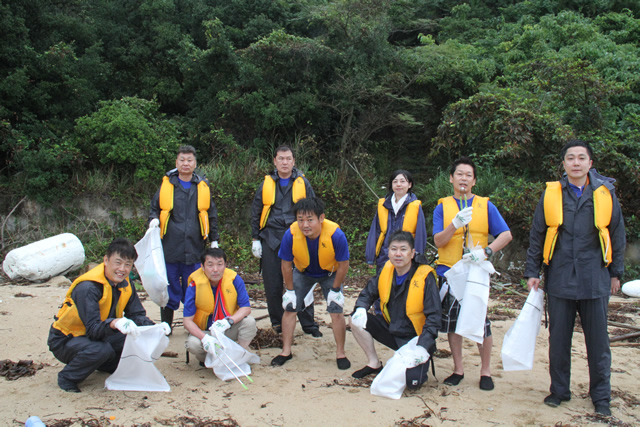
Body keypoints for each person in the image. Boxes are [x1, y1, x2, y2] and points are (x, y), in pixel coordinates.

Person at [524, 140, 626, 416]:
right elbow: (537, 235)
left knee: (598, 343)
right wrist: (532, 272)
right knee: (558, 340)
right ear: (564, 164)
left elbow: (617, 233)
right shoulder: (551, 195)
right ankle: (559, 390)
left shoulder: (605, 194)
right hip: (559, 277)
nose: (576, 163)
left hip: (595, 277)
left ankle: (601, 397)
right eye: (571, 158)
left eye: (582, 158)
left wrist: (616, 272)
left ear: (590, 163)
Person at [433, 156, 512, 391]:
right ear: (451, 178)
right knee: (452, 322)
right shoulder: (442, 207)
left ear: (474, 181)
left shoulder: (486, 205)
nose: (463, 178)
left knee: (481, 321)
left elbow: (506, 235)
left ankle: (485, 371)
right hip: (450, 271)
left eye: (468, 175)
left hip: (475, 271)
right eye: (459, 174)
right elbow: (438, 241)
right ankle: (458, 369)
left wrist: (486, 251)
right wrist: (454, 224)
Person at [47, 238, 167, 392]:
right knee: (101, 350)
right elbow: (93, 329)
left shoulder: (126, 284)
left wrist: (154, 328)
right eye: (118, 262)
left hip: (98, 333)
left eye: (128, 264)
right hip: (67, 339)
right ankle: (67, 377)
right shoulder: (88, 287)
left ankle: (105, 365)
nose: (122, 269)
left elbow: (136, 314)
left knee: (134, 338)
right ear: (106, 260)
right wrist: (114, 323)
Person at [350, 231, 440, 390]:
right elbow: (368, 293)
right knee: (355, 319)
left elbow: (434, 317)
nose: (398, 254)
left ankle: (417, 362)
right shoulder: (387, 270)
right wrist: (361, 308)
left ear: (412, 253)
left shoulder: (425, 276)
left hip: (415, 338)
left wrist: (423, 346)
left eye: (403, 249)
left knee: (412, 383)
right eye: (394, 249)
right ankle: (374, 364)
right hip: (392, 329)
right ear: (388, 252)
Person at [271, 197, 350, 369]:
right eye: (300, 220)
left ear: (321, 218)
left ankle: (340, 353)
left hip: (330, 273)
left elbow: (344, 265)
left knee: (336, 310)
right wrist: (290, 291)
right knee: (290, 308)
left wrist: (336, 289)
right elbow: (285, 264)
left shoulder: (336, 235)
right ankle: (286, 351)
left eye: (310, 220)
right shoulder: (290, 234)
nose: (305, 225)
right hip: (303, 272)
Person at [250, 146, 320, 336]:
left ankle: (308, 324)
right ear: (275, 161)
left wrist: (314, 236)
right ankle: (278, 323)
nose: (285, 162)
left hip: (299, 237)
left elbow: (313, 209)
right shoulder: (266, 184)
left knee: (303, 281)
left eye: (288, 159)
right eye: (281, 159)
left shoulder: (303, 183)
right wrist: (255, 238)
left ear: (294, 161)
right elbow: (256, 211)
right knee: (272, 283)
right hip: (271, 238)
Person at [148, 145, 219, 331]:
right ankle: (166, 326)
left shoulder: (202, 186)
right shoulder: (167, 185)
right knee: (168, 287)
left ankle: (194, 327)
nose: (185, 164)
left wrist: (214, 239)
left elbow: (211, 214)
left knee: (194, 288)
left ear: (195, 164)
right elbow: (154, 208)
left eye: (189, 160)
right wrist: (153, 220)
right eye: (182, 160)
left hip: (195, 248)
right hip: (170, 246)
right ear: (176, 162)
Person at [184, 248, 257, 364]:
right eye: (210, 265)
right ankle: (208, 360)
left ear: (225, 265)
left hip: (227, 328)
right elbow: (187, 321)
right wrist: (204, 338)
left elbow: (246, 308)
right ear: (202, 267)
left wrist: (229, 322)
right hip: (205, 331)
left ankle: (239, 354)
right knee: (193, 344)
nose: (215, 270)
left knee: (250, 322)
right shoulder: (194, 285)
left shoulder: (234, 279)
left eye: (219, 264)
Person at [365, 170, 428, 271]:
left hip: (406, 257)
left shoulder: (415, 206)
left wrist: (418, 257)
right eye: (395, 181)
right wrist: (370, 256)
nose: (399, 184)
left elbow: (420, 233)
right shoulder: (383, 205)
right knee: (383, 285)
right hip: (384, 256)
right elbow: (375, 231)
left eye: (403, 181)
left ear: (409, 184)